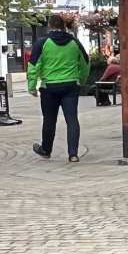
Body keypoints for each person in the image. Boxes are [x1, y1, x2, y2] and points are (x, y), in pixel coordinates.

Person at [28, 13, 89, 162]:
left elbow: (33, 66)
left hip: (49, 87)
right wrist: (80, 79)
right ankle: (73, 154)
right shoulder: (75, 42)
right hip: (70, 86)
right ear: (63, 26)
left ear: (49, 26)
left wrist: (32, 86)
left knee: (49, 120)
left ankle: (46, 150)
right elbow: (85, 63)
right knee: (72, 119)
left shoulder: (42, 43)